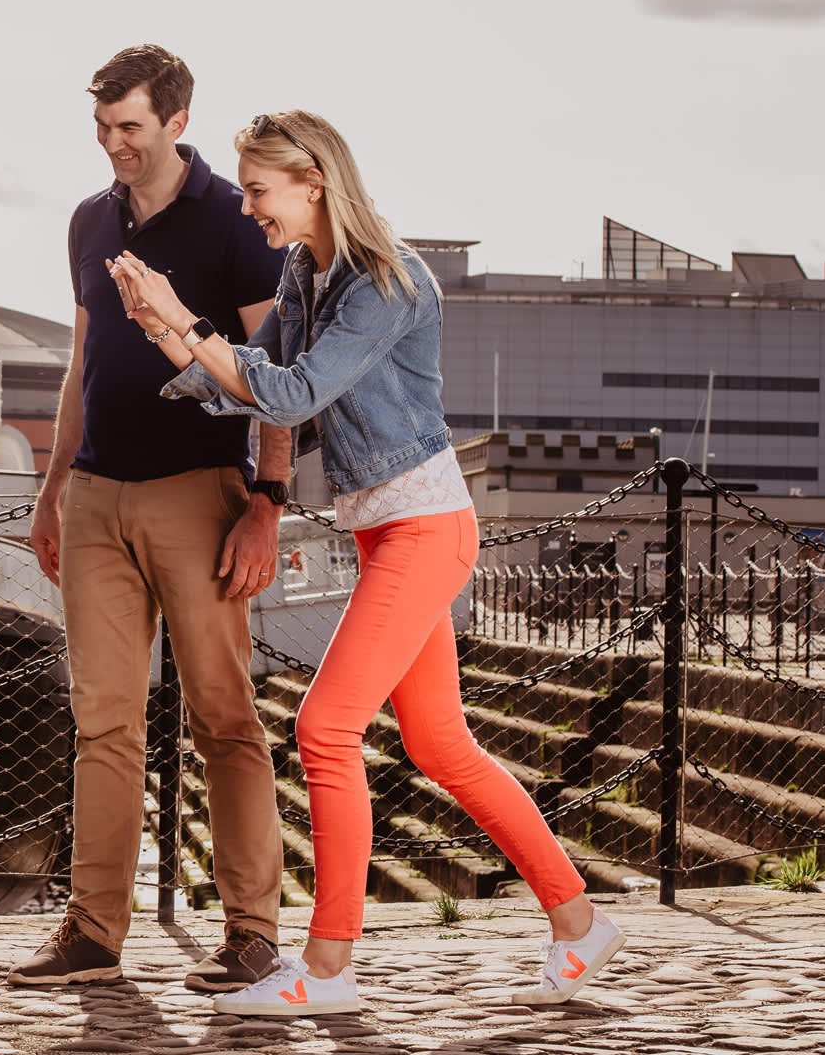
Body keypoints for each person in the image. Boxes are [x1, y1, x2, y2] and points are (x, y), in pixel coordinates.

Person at [108, 109, 626, 1015]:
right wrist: (164, 328)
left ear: (314, 182)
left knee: (325, 728)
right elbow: (254, 389)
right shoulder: (308, 272)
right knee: (441, 744)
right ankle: (580, 924)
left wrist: (189, 322)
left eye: (260, 192)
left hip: (426, 530)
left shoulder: (387, 282)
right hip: (392, 531)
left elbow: (297, 393)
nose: (251, 209)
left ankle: (331, 970)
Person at [11, 44, 295, 991]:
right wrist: (53, 490)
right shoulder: (89, 221)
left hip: (200, 495)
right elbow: (83, 363)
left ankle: (251, 930)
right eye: (102, 127)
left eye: (129, 126)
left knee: (224, 718)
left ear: (176, 121)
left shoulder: (234, 222)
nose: (113, 144)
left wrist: (266, 501)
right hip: (95, 497)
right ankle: (94, 930)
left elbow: (278, 378)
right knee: (103, 724)